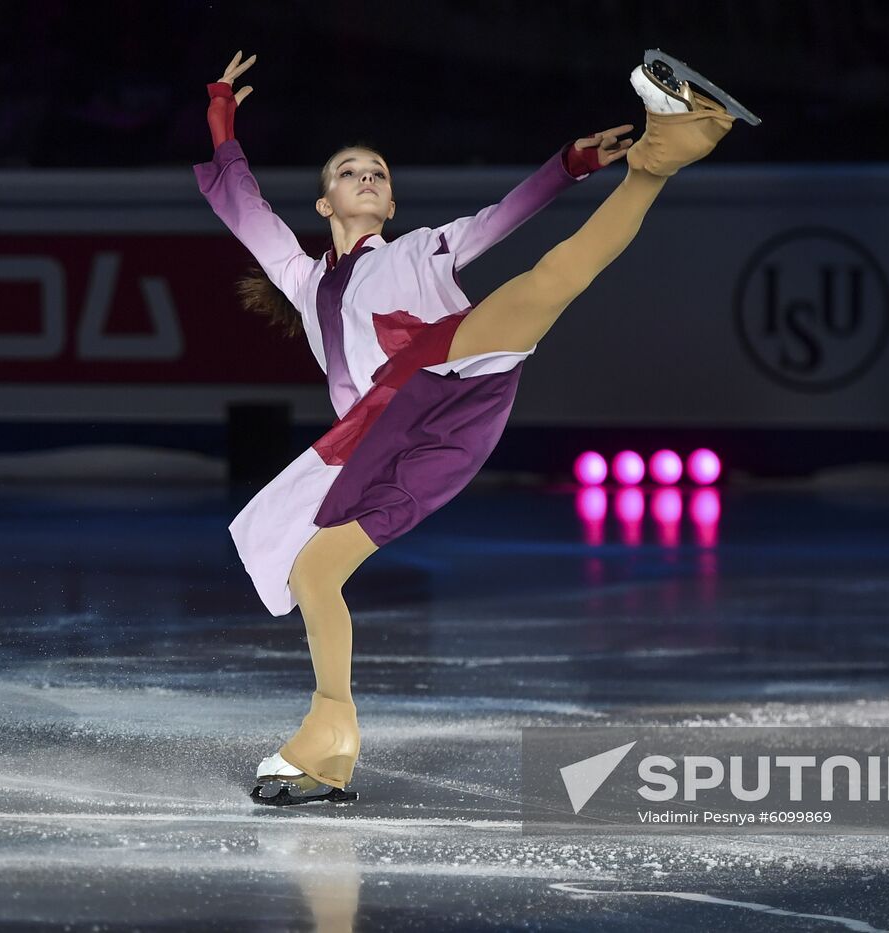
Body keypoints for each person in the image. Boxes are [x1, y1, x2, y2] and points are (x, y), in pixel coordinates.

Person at [194, 49, 737, 805]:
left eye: (378, 173)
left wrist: (571, 163)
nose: (367, 178)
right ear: (324, 205)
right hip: (389, 444)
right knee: (315, 571)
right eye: (350, 171)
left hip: (447, 369)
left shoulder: (427, 247)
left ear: (390, 205)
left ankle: (658, 157)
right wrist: (223, 119)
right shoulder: (303, 276)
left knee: (549, 280)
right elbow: (242, 209)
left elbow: (505, 216)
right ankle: (331, 734)